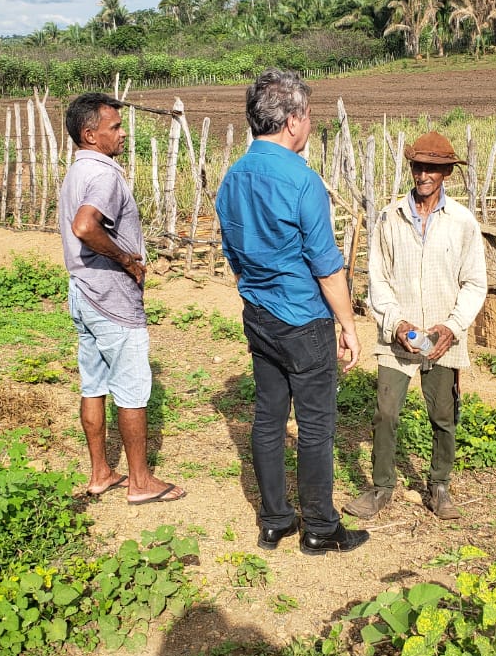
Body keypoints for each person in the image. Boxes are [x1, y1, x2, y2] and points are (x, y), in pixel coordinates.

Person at [215, 68, 369, 555]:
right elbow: (327, 268)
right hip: (304, 320)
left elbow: (234, 255)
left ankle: (276, 519)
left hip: (259, 314)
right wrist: (347, 325)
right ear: (294, 121)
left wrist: (258, 290)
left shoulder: (233, 177)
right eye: (309, 117)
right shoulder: (303, 181)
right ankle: (321, 527)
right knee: (317, 426)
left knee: (267, 417)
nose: (309, 125)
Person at [344, 132, 486, 521]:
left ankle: (439, 486)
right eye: (418, 166)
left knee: (442, 414)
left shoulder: (461, 222)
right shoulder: (391, 217)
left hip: (443, 338)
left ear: (446, 173)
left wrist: (452, 328)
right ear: (411, 168)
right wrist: (395, 322)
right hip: (398, 339)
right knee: (386, 413)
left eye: (433, 168)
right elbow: (378, 279)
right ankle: (381, 487)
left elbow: (475, 282)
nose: (424, 174)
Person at [58, 92, 185, 505]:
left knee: (93, 385)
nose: (123, 132)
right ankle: (140, 481)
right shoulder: (106, 175)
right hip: (111, 298)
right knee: (132, 390)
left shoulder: (76, 171)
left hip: (81, 291)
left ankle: (100, 473)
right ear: (90, 134)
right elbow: (84, 226)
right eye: (115, 127)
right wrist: (127, 258)